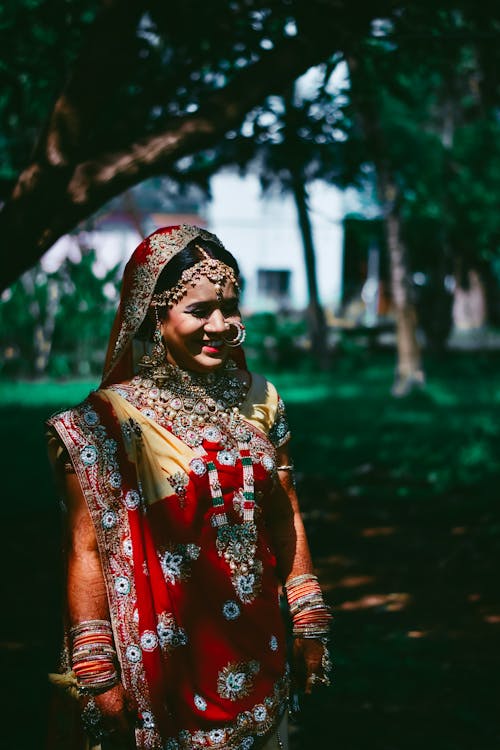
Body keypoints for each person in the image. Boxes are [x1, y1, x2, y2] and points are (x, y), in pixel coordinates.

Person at [46, 224, 332, 750]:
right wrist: (96, 667)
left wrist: (309, 617)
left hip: (259, 640)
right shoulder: (107, 422)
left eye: (230, 307)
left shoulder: (261, 398)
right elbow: (85, 548)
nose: (221, 326)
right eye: (199, 311)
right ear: (153, 316)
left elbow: (284, 514)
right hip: (161, 666)